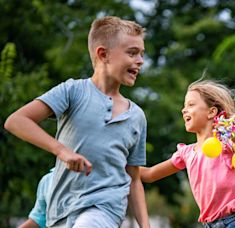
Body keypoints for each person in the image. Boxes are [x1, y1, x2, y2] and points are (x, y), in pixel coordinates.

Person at [4, 16, 149, 228]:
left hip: (105, 208)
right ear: (103, 54)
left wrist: (145, 225)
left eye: (142, 54)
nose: (140, 61)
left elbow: (134, 179)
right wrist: (62, 150)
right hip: (61, 210)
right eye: (132, 52)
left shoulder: (136, 117)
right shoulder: (73, 91)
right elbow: (16, 120)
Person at [140, 79, 235, 227]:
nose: (184, 110)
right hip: (209, 224)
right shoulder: (186, 153)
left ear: (211, 112)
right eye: (184, 106)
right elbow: (149, 175)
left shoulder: (226, 142)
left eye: (191, 105)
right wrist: (116, 163)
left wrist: (231, 133)